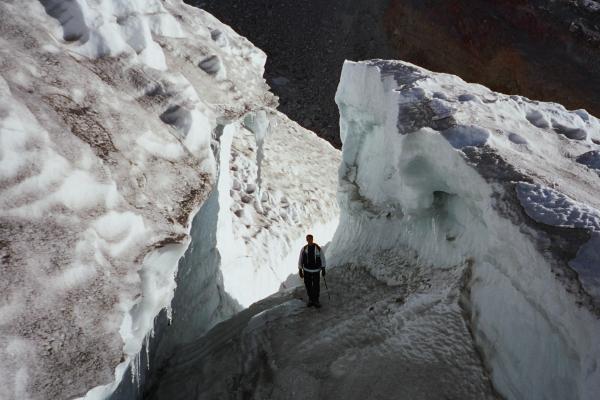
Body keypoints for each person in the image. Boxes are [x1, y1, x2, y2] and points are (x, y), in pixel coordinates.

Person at [298, 234, 326, 308]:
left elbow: (322, 258)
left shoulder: (318, 248)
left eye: (310, 239)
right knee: (308, 285)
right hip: (307, 270)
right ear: (306, 240)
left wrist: (323, 269)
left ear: (312, 239)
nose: (309, 240)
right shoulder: (304, 249)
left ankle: (316, 300)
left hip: (316, 270)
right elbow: (300, 259)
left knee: (316, 285)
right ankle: (311, 299)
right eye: (308, 239)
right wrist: (300, 269)